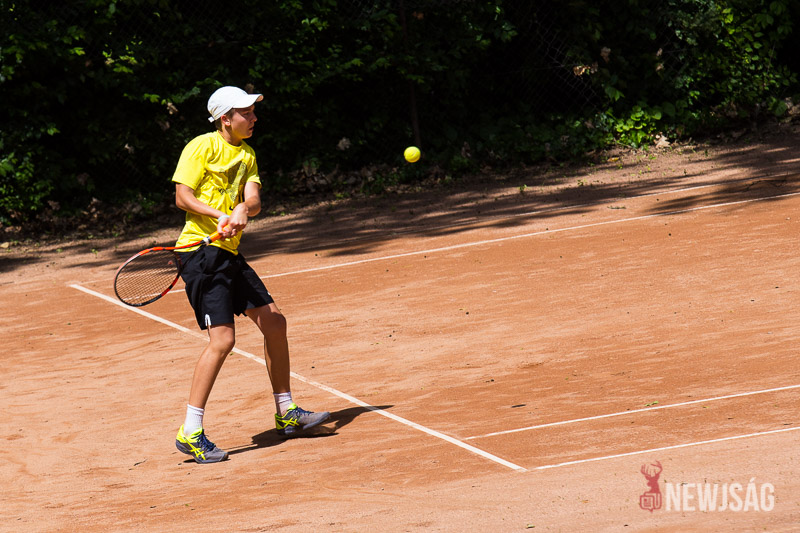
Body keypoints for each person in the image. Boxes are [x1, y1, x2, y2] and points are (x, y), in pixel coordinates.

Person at [172, 86, 330, 464]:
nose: (254, 117)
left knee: (274, 321)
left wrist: (243, 207)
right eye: (246, 112)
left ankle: (286, 411)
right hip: (199, 253)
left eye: (253, 111)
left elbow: (254, 200)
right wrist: (220, 215)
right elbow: (183, 196)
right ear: (225, 119)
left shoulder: (247, 154)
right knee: (223, 340)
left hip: (228, 253)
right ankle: (190, 430)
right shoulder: (202, 146)